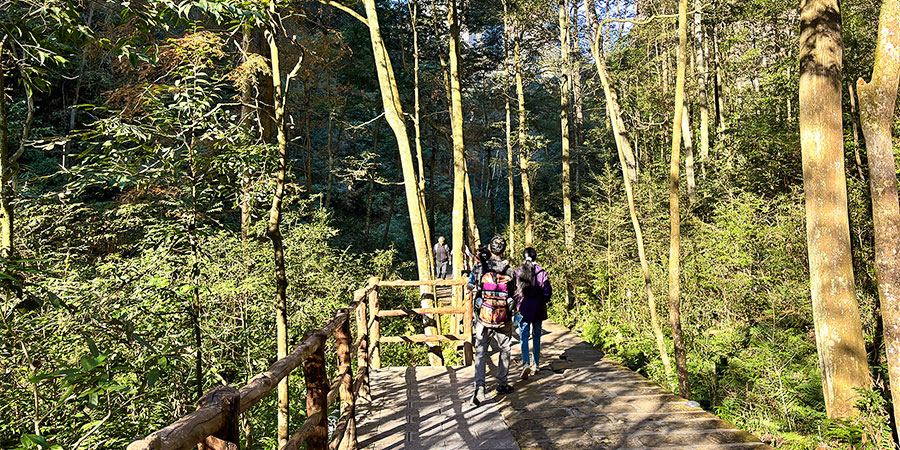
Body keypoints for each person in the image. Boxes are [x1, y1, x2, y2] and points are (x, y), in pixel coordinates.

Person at [468, 235, 517, 406]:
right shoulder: (510, 270)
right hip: (503, 317)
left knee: (481, 351)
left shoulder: (481, 268)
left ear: (490, 249)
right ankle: (502, 384)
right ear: (504, 251)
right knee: (505, 349)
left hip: (484, 315)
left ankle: (479, 387)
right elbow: (514, 294)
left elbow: (475, 287)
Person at [512, 247, 552, 380]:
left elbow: (514, 292)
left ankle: (525, 363)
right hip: (538, 308)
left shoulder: (518, 272)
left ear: (524, 257)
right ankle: (536, 364)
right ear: (536, 257)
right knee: (536, 335)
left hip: (523, 308)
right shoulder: (542, 272)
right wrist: (543, 300)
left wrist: (517, 305)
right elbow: (547, 291)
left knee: (523, 337)